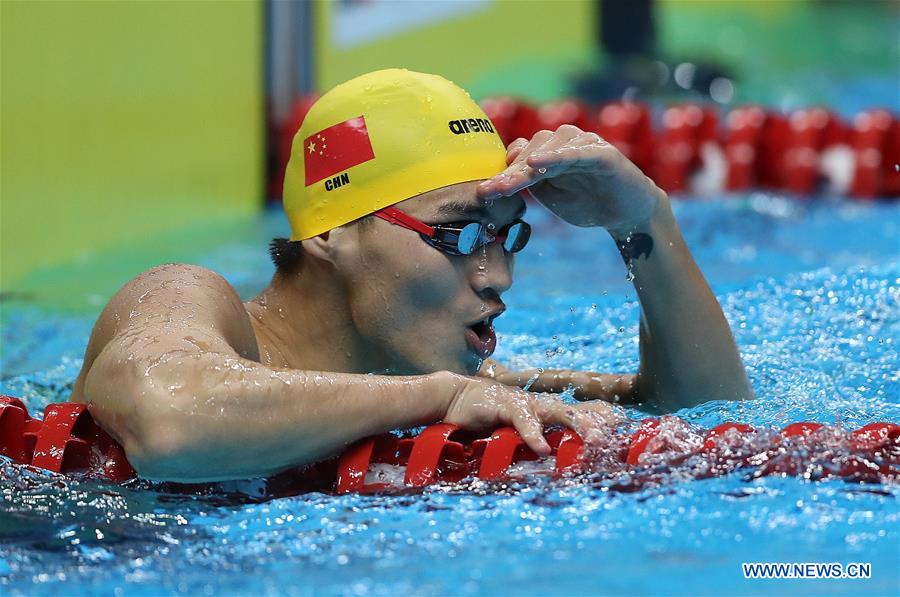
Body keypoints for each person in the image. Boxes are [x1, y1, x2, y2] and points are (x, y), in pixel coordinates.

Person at [69, 69, 752, 483]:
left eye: (505, 235)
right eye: (457, 235)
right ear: (332, 232)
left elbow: (702, 409)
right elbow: (170, 420)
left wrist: (642, 220)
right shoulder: (184, 298)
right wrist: (437, 397)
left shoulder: (416, 373)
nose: (498, 276)